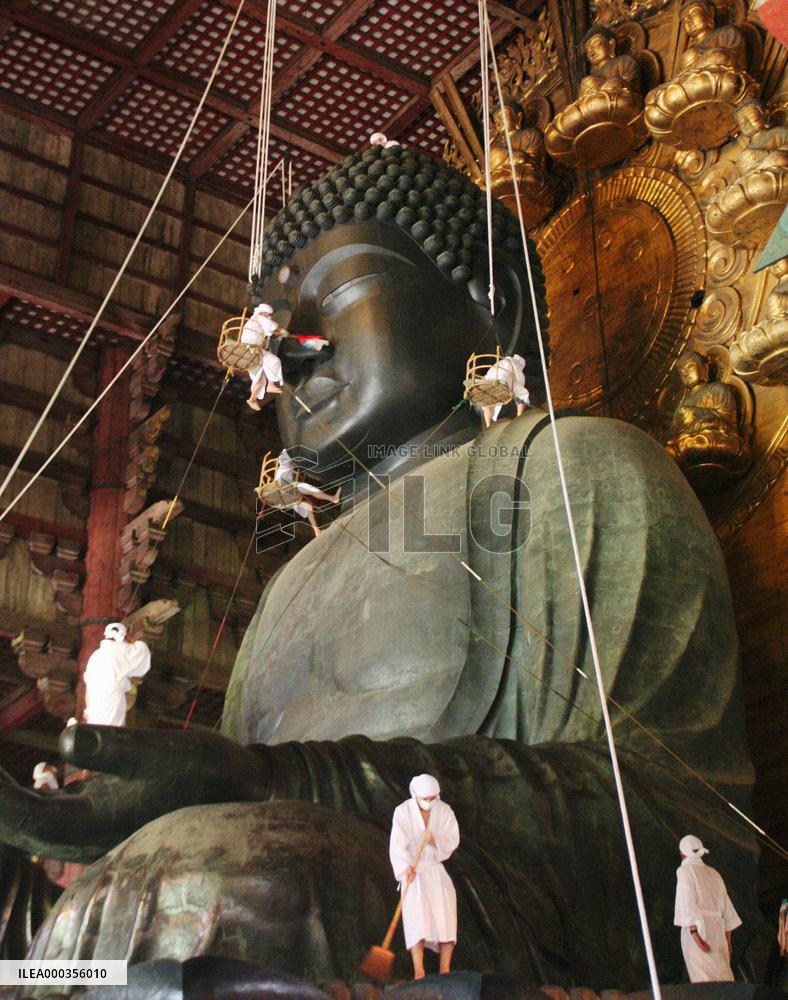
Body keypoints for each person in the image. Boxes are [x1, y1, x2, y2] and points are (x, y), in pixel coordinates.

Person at [0, 143, 758, 991]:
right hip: (271, 876)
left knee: (241, 877)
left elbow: (670, 816)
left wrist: (281, 784)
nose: (290, 356)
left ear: (489, 306)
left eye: (335, 301)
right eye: (272, 340)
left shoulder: (576, 469)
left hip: (466, 915)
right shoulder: (290, 587)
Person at [389, 774, 459, 979]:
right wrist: (405, 867)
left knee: (445, 917)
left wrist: (434, 841)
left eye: (432, 797)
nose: (429, 801)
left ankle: (445, 968)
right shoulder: (402, 812)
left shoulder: (444, 811)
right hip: (414, 871)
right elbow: (396, 844)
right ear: (415, 795)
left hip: (435, 869)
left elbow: (452, 839)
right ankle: (419, 970)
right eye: (425, 798)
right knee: (416, 920)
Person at [674, 834, 741, 982]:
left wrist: (696, 937)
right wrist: (728, 942)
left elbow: (687, 904)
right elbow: (727, 911)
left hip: (700, 931)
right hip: (719, 934)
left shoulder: (684, 871)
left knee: (704, 982)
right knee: (724, 981)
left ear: (682, 853)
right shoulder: (714, 873)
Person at [82, 622, 151, 727]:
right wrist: (131, 639)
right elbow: (142, 652)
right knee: (111, 731)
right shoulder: (120, 650)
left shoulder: (95, 655)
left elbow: (88, 688)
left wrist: (88, 710)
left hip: (95, 705)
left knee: (98, 731)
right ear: (122, 637)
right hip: (112, 700)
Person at [273, 448, 340, 537]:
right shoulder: (283, 465)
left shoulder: (286, 469)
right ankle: (333, 498)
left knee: (308, 505)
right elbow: (287, 452)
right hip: (287, 491)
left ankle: (317, 531)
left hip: (289, 496)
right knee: (309, 490)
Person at [240, 303, 287, 410]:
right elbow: (271, 325)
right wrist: (281, 330)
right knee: (275, 361)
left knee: (259, 377)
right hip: (252, 350)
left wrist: (275, 333)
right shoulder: (258, 318)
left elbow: (267, 333)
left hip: (248, 355)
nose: (268, 316)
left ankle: (252, 398)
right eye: (267, 314)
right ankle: (270, 384)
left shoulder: (255, 325)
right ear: (263, 313)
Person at [479, 353, 529, 427]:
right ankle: (489, 425)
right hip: (497, 380)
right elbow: (521, 396)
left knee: (488, 404)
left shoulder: (510, 369)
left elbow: (521, 396)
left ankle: (488, 425)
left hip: (496, 380)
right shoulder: (506, 376)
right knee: (489, 404)